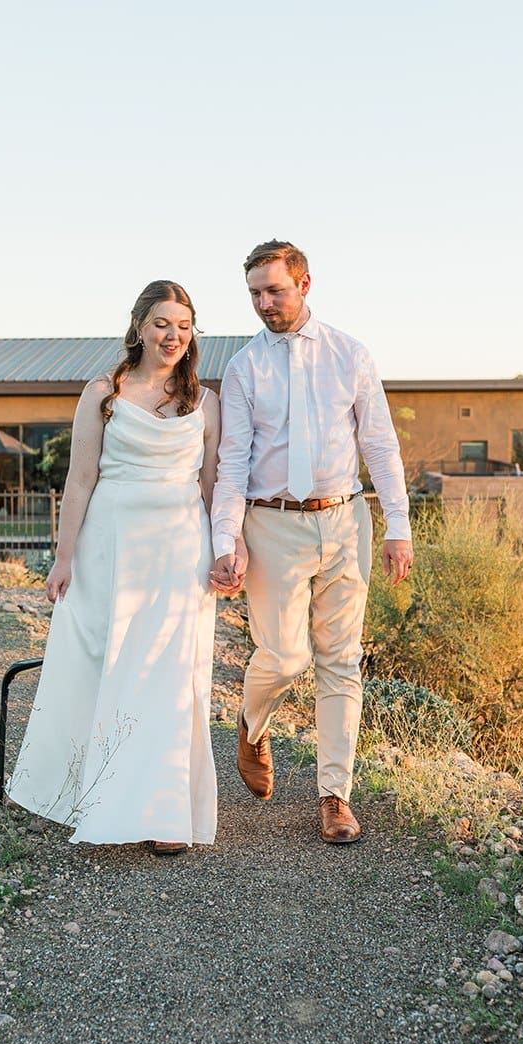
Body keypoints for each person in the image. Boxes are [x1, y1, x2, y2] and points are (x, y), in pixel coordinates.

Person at [7, 280, 223, 854]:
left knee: (171, 677)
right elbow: (80, 480)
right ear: (138, 327)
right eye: (161, 323)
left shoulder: (205, 401)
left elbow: (211, 487)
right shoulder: (102, 392)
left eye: (182, 324)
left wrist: (229, 550)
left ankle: (165, 812)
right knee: (107, 666)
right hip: (111, 545)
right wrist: (63, 558)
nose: (172, 335)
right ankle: (95, 795)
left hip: (181, 552)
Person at [209, 240, 413, 845]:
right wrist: (227, 539)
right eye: (254, 293)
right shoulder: (245, 367)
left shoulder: (350, 355)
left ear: (304, 284)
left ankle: (334, 797)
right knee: (284, 657)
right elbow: (232, 464)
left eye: (274, 290)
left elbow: (379, 443)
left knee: (340, 663)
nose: (264, 303)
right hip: (271, 525)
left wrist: (397, 525)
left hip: (346, 521)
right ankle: (252, 722)